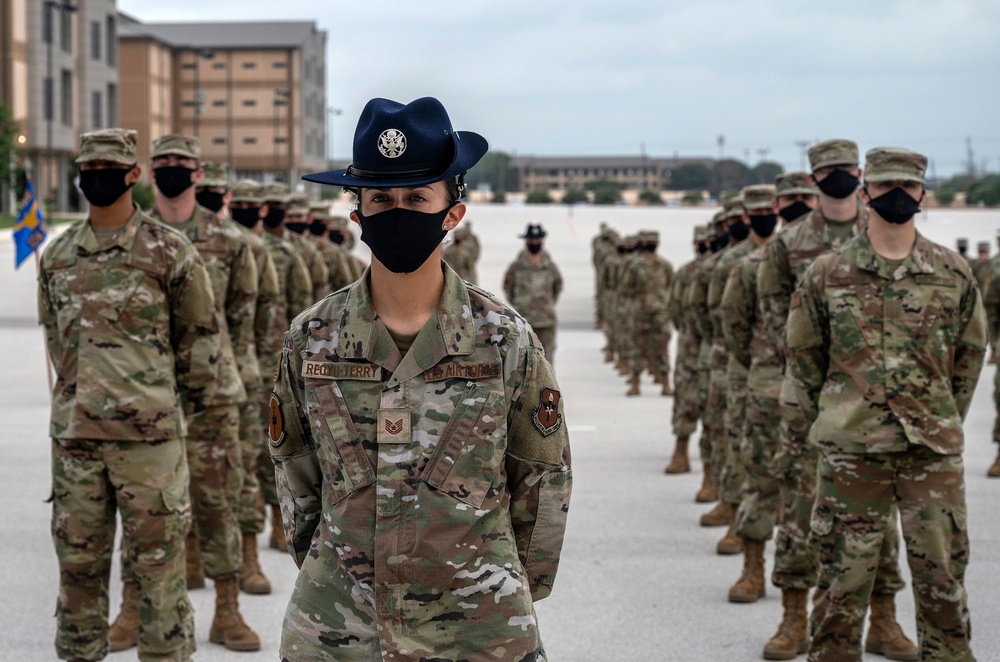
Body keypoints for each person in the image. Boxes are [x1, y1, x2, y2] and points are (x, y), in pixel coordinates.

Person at [267, 96, 572, 661]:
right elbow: (297, 479)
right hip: (338, 629)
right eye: (380, 198)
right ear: (356, 213)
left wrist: (504, 586)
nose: (397, 211)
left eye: (416, 198)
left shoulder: (504, 340)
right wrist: (342, 568)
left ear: (452, 213)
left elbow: (542, 481)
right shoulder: (311, 339)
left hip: (478, 628)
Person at [787, 147, 984, 661]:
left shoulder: (953, 272)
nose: (896, 194)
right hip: (852, 455)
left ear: (922, 193)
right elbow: (804, 362)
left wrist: (939, 418)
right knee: (840, 586)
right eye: (884, 185)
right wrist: (833, 423)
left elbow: (969, 358)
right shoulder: (827, 274)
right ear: (865, 191)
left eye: (907, 185)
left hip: (931, 454)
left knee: (943, 581)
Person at [40, 128, 220, 662]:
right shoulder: (59, 255)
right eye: (87, 167)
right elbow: (56, 341)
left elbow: (200, 346)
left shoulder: (169, 251)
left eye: (107, 167)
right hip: (76, 445)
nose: (95, 176)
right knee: (77, 572)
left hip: (151, 448)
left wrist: (169, 416)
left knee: (160, 575)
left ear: (132, 174)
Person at [757, 139, 916, 660]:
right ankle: (793, 619)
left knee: (880, 516)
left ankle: (885, 620)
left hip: (877, 404)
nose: (838, 177)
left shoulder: (886, 233)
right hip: (811, 399)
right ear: (815, 176)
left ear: (860, 173)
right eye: (828, 171)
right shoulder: (788, 244)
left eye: (846, 169)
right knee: (800, 510)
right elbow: (775, 316)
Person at [120, 133, 261, 651]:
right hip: (147, 395)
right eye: (164, 162)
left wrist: (231, 374)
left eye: (182, 162)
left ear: (198, 174)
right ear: (149, 172)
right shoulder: (132, 237)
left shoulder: (232, 242)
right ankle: (133, 609)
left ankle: (227, 610)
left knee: (217, 501)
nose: (173, 169)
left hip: (213, 393)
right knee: (139, 507)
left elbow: (243, 318)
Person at [723, 173, 817, 606]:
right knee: (760, 481)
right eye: (790, 199)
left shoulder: (836, 262)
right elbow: (733, 329)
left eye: (805, 198)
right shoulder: (751, 266)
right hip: (768, 389)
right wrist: (765, 369)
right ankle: (753, 567)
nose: (797, 205)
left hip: (824, 397)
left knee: (815, 491)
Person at [663, 224, 712, 474]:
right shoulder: (686, 273)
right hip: (692, 347)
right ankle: (680, 451)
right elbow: (675, 308)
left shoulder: (724, 267)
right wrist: (690, 332)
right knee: (686, 400)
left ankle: (713, 473)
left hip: (717, 349)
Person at [503, 223, 564, 365]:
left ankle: (547, 388)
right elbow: (508, 287)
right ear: (526, 242)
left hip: (546, 320)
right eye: (531, 240)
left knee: (546, 360)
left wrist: (546, 304)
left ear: (542, 242)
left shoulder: (550, 266)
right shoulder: (516, 267)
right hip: (523, 320)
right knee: (522, 361)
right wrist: (520, 305)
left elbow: (557, 287)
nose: (535, 243)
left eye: (538, 240)